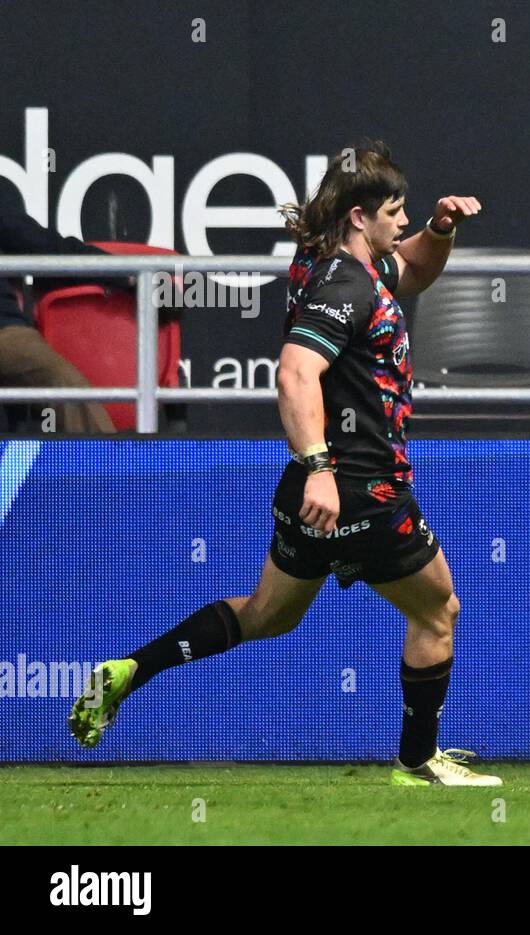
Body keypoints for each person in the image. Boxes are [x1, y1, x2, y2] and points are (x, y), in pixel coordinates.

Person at [68, 141, 500, 786]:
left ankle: (131, 669)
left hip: (311, 488)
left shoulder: (337, 262)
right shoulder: (348, 286)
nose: (402, 222)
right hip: (357, 486)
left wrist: (440, 228)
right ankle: (418, 763)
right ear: (359, 216)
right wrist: (323, 467)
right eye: (395, 210)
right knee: (439, 612)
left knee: (268, 615)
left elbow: (414, 271)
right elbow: (296, 372)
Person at [0, 181, 115, 434]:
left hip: (3, 335)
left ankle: (109, 468)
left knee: (62, 381)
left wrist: (128, 276)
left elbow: (48, 248)